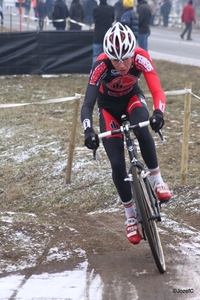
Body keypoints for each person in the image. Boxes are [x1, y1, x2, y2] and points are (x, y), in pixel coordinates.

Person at [81, 22, 172, 245]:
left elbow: (157, 90)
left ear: (132, 53)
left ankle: (157, 179)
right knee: (117, 164)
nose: (121, 65)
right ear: (108, 57)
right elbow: (87, 105)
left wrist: (158, 113)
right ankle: (130, 216)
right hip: (108, 108)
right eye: (115, 60)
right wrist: (88, 130)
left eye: (125, 59)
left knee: (142, 128)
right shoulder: (100, 65)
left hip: (132, 98)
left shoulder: (141, 57)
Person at [92, 0, 114, 65]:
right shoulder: (111, 9)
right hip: (108, 37)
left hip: (97, 35)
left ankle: (95, 71)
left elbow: (94, 19)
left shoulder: (96, 9)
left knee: (96, 55)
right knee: (108, 56)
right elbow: (112, 19)